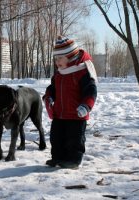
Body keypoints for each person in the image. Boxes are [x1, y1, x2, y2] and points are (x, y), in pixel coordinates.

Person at [43, 36, 97, 169]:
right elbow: (52, 89)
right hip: (59, 114)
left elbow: (90, 90)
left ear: (71, 56)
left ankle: (73, 160)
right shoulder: (59, 74)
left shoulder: (82, 72)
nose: (57, 62)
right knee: (56, 137)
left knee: (74, 139)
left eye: (60, 58)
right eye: (55, 59)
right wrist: (49, 97)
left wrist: (86, 105)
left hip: (76, 114)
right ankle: (58, 157)